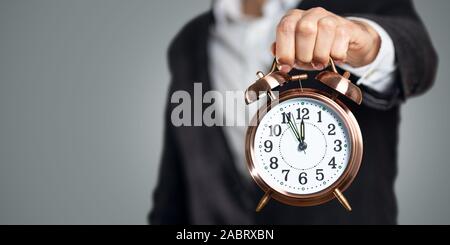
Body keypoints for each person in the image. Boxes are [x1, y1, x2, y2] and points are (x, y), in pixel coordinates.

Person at [150, 0, 437, 224]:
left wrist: (366, 42)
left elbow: (418, 57)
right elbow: (175, 186)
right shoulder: (187, 43)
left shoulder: (358, 4)